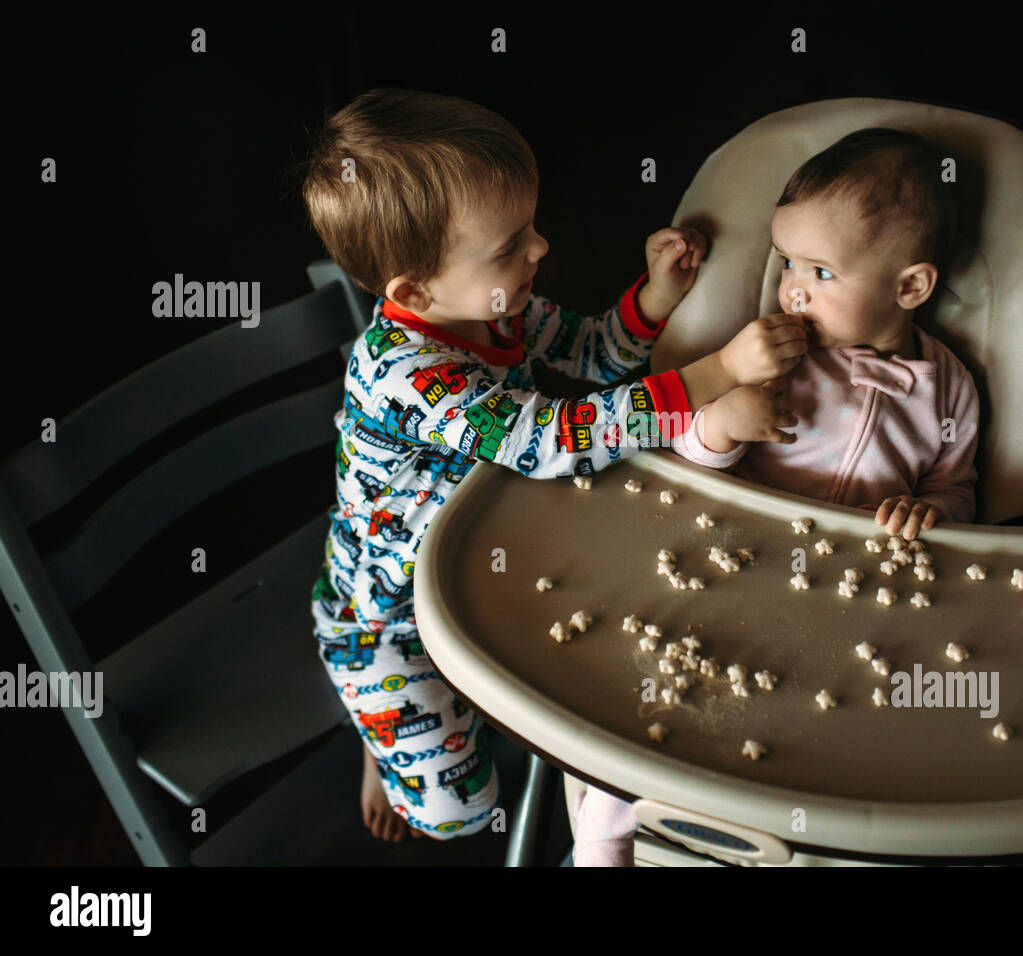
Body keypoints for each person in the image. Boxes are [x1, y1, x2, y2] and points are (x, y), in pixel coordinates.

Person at [300, 88, 805, 843]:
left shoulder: (496, 305)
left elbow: (596, 355)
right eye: (509, 244)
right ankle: (377, 729)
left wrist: (656, 296)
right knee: (457, 815)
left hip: (482, 561)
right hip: (386, 618)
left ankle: (432, 728)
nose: (539, 249)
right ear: (413, 292)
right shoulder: (407, 372)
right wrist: (717, 370)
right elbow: (555, 440)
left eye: (530, 228)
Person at [572, 127, 978, 865]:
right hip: (735, 560)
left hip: (854, 592)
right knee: (654, 688)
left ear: (910, 287)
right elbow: (686, 454)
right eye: (787, 261)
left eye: (820, 271)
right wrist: (724, 425)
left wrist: (934, 513)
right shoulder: (772, 351)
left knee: (846, 719)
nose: (792, 286)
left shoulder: (949, 388)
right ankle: (604, 835)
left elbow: (957, 489)